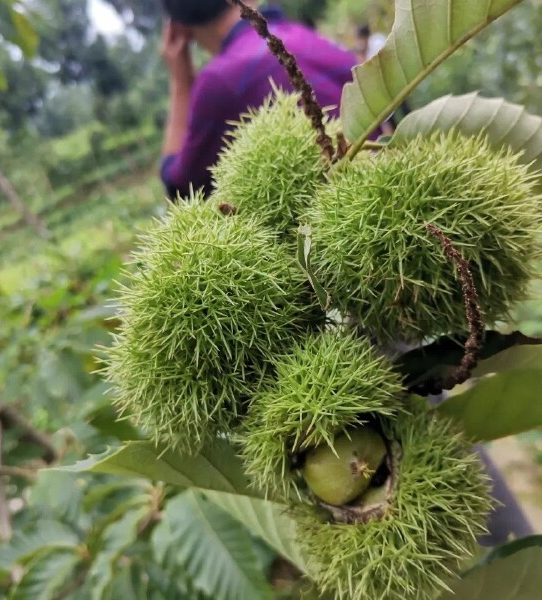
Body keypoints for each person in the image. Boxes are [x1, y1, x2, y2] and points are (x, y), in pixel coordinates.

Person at [159, 0, 534, 546]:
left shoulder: (218, 80)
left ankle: (501, 545)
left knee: (421, 431)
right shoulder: (311, 43)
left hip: (351, 291)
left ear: (180, 29)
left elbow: (176, 179)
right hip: (395, 279)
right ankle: (508, 542)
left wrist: (178, 79)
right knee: (431, 420)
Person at [159, 0, 358, 199]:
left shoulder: (219, 80)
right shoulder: (306, 35)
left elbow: (180, 188)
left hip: (333, 208)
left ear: (177, 26)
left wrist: (180, 83)